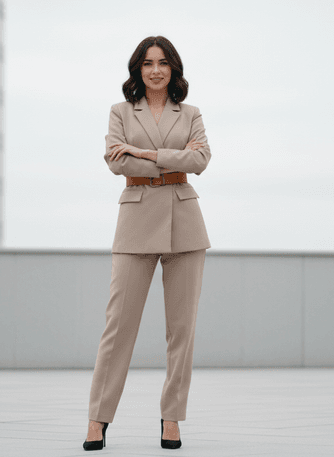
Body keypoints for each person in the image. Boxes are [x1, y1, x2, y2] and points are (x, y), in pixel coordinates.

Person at [83, 35, 211, 451]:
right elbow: (115, 162)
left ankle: (171, 417)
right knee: (118, 328)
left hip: (185, 222)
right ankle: (98, 419)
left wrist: (145, 153)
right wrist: (168, 157)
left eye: (163, 62)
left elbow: (201, 160)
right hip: (136, 221)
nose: (155, 70)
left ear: (173, 69)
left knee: (182, 331)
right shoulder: (120, 111)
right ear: (137, 69)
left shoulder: (190, 113)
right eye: (147, 63)